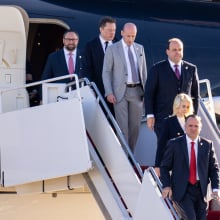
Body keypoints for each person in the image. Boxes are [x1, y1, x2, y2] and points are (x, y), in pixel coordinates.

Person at [160, 114, 220, 220]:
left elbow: (214, 169)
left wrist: (216, 188)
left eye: (196, 126)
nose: (193, 128)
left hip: (201, 192)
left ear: (200, 128)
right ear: (185, 127)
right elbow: (164, 166)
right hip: (182, 191)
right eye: (190, 126)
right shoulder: (174, 144)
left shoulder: (207, 145)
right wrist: (166, 185)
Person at [102, 22, 147, 152]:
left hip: (137, 92)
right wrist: (108, 92)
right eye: (128, 36)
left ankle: (130, 155)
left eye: (133, 36)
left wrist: (146, 93)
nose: (130, 39)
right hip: (119, 93)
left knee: (135, 127)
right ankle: (125, 156)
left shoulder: (140, 48)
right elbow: (106, 72)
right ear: (121, 33)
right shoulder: (112, 49)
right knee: (123, 128)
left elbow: (143, 73)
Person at [144, 38, 200, 138]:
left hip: (185, 120)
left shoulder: (191, 69)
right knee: (166, 150)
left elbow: (195, 95)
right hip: (163, 119)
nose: (177, 52)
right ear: (167, 51)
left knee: (184, 150)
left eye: (180, 50)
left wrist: (193, 116)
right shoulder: (157, 69)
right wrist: (150, 115)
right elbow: (149, 94)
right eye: (174, 50)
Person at [83, 16, 117, 115]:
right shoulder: (90, 46)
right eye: (109, 30)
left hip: (117, 93)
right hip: (98, 91)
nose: (112, 33)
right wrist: (89, 88)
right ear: (101, 29)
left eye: (114, 30)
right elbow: (86, 69)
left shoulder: (119, 44)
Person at [154, 93, 194, 177]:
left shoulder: (191, 121)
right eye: (183, 106)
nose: (185, 109)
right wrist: (157, 165)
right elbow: (161, 145)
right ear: (177, 105)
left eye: (187, 107)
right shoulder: (168, 122)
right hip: (173, 163)